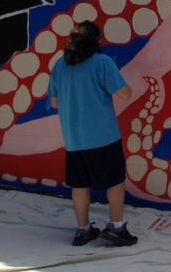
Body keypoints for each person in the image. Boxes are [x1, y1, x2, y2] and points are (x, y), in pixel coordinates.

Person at [47, 21, 137, 247]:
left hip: (73, 139)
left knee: (80, 185)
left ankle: (83, 229)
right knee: (114, 181)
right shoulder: (102, 63)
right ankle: (116, 227)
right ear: (98, 41)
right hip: (103, 137)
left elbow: (55, 102)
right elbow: (125, 94)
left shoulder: (60, 65)